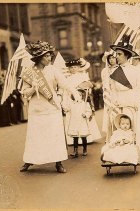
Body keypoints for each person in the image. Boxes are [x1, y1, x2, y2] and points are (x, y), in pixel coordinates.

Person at [19, 40, 78, 173]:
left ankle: (58, 163)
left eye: (50, 55)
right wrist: (33, 88)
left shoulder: (53, 70)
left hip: (52, 108)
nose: (49, 57)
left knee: (55, 136)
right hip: (36, 109)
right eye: (46, 56)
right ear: (39, 58)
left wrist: (74, 92)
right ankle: (29, 160)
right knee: (35, 136)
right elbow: (25, 93)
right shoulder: (29, 72)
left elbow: (64, 83)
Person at [109, 35, 140, 158]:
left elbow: (138, 88)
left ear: (127, 55)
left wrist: (136, 104)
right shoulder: (113, 72)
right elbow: (112, 90)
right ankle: (121, 154)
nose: (116, 56)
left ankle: (136, 153)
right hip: (119, 102)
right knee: (120, 128)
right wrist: (114, 103)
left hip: (132, 102)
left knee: (134, 127)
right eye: (116, 54)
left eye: (119, 54)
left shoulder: (135, 70)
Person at [64, 58, 101, 145]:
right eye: (71, 68)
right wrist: (65, 102)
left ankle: (86, 138)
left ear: (78, 68)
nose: (73, 69)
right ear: (68, 69)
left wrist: (81, 88)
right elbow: (66, 91)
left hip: (81, 100)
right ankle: (73, 139)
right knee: (72, 118)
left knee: (83, 117)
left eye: (75, 67)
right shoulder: (67, 79)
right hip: (71, 100)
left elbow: (89, 86)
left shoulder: (82, 76)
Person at [63, 89, 92, 157]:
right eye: (77, 95)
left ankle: (85, 149)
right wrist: (64, 104)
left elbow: (89, 111)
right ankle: (75, 150)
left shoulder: (85, 104)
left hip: (82, 121)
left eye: (80, 95)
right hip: (75, 122)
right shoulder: (72, 104)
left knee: (83, 136)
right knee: (75, 137)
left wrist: (86, 114)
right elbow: (67, 109)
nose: (78, 96)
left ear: (82, 96)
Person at [101, 52, 118, 139]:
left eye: (113, 58)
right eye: (109, 58)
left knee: (117, 112)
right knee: (109, 114)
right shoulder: (105, 71)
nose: (111, 60)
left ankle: (119, 133)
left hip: (117, 93)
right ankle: (110, 135)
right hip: (109, 93)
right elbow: (104, 83)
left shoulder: (119, 69)